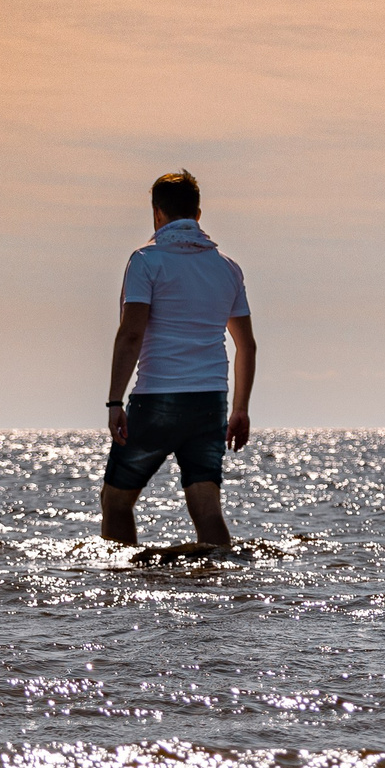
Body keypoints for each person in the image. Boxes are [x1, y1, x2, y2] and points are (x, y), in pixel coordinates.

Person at [101, 170, 255, 548]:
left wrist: (115, 401)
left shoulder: (146, 261)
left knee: (116, 502)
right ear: (198, 214)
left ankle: (122, 597)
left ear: (157, 214)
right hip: (209, 400)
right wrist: (240, 409)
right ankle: (226, 594)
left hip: (158, 399)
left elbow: (132, 333)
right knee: (207, 509)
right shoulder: (228, 268)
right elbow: (246, 345)